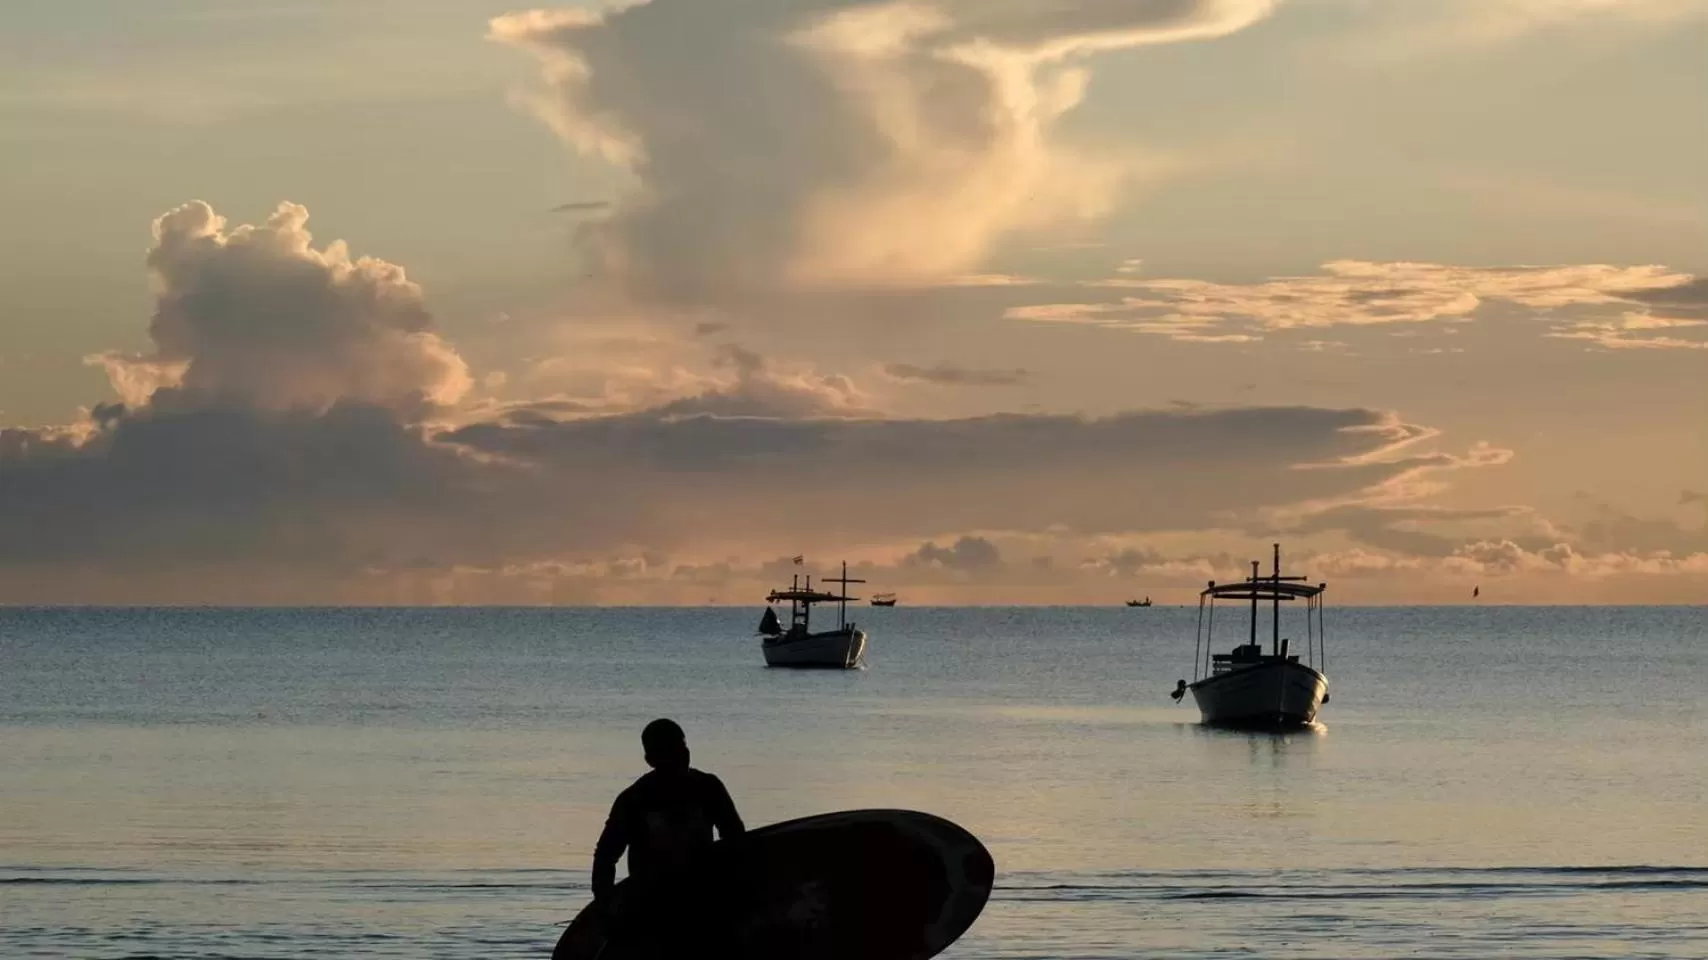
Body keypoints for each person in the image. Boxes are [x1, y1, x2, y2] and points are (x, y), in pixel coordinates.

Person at [589, 719, 745, 954]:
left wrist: (736, 892)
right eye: (669, 752)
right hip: (651, 906)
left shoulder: (708, 788)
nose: (680, 757)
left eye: (682, 748)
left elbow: (736, 841)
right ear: (650, 760)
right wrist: (606, 909)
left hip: (703, 900)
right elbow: (605, 858)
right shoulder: (634, 799)